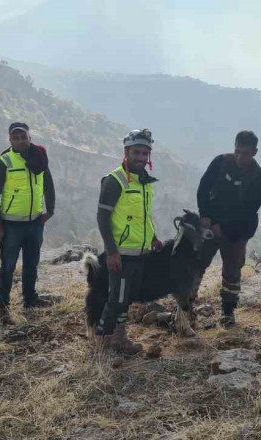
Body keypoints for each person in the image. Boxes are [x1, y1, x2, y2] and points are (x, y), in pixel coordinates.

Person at [95, 129, 163, 353]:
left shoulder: (144, 182)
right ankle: (102, 344)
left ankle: (120, 338)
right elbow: (103, 217)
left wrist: (152, 238)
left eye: (145, 153)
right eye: (137, 152)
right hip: (122, 254)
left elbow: (142, 216)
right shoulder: (115, 181)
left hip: (140, 252)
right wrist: (111, 252)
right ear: (126, 151)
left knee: (127, 297)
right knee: (116, 298)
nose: (141, 158)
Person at [197, 130, 261, 327]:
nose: (239, 157)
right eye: (237, 151)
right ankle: (185, 306)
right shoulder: (220, 162)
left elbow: (248, 210)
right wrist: (206, 216)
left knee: (232, 270)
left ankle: (228, 312)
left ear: (255, 152)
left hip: (238, 230)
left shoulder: (259, 177)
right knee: (197, 263)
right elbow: (204, 188)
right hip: (211, 223)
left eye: (245, 153)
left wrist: (223, 226)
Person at [0, 122, 56, 324]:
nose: (20, 141)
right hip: (11, 225)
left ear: (29, 137)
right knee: (7, 266)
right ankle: (2, 306)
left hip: (35, 223)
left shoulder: (39, 158)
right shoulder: (3, 162)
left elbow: (48, 185)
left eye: (23, 137)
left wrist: (49, 211)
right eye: (15, 138)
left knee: (31, 264)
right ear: (10, 139)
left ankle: (30, 299)